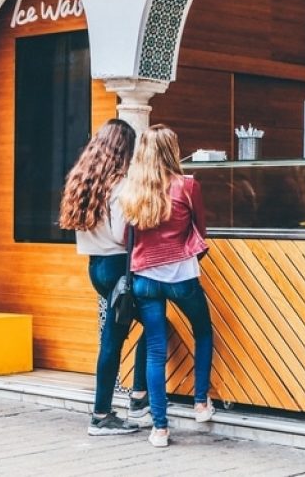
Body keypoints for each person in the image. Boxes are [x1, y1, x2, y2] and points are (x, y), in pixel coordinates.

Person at [120, 124, 214, 448]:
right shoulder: (188, 186)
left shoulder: (132, 191)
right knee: (202, 330)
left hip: (144, 278)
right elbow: (200, 232)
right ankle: (201, 402)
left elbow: (125, 241)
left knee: (155, 352)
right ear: (172, 150)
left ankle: (159, 428)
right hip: (181, 277)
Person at [58, 118, 149, 436]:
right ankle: (117, 408)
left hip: (96, 267)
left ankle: (119, 405)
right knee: (146, 328)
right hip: (118, 267)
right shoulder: (121, 185)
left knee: (115, 337)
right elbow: (122, 234)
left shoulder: (85, 180)